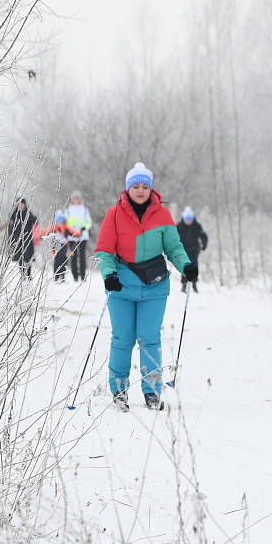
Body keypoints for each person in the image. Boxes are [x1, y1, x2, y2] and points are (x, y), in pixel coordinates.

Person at [94, 163, 196, 411]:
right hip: (121, 286)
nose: (140, 190)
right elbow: (104, 251)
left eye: (145, 186)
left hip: (154, 287)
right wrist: (109, 275)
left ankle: (152, 392)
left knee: (149, 338)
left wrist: (186, 266)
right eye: (136, 186)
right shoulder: (114, 215)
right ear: (128, 188)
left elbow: (173, 248)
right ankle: (119, 389)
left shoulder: (162, 215)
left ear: (151, 189)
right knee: (122, 338)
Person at [176, 207, 208, 293]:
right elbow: (174, 236)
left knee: (194, 266)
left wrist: (203, 244)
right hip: (183, 250)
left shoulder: (197, 226)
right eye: (187, 219)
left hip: (194, 250)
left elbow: (203, 236)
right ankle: (184, 284)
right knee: (184, 266)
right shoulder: (179, 226)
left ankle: (194, 284)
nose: (188, 221)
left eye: (190, 219)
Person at [64, 192, 94, 282]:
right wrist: (71, 231)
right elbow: (65, 223)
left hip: (83, 236)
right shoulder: (68, 210)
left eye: (77, 198)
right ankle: (75, 275)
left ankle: (83, 275)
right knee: (73, 256)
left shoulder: (85, 210)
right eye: (74, 198)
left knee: (82, 256)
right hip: (72, 237)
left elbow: (89, 221)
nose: (76, 200)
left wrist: (85, 228)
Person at [45, 212, 82, 282]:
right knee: (57, 261)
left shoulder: (65, 227)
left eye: (60, 221)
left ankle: (62, 276)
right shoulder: (53, 227)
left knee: (64, 261)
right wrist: (43, 235)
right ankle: (56, 277)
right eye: (57, 221)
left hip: (64, 246)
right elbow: (46, 232)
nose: (59, 223)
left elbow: (72, 232)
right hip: (56, 246)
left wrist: (78, 234)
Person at [6, 199, 37, 280]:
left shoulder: (28, 214)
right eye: (20, 205)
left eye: (23, 204)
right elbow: (10, 228)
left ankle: (29, 275)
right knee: (20, 258)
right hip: (18, 240)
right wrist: (11, 239)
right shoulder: (14, 215)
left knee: (28, 258)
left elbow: (35, 221)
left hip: (28, 239)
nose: (22, 206)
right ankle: (22, 274)